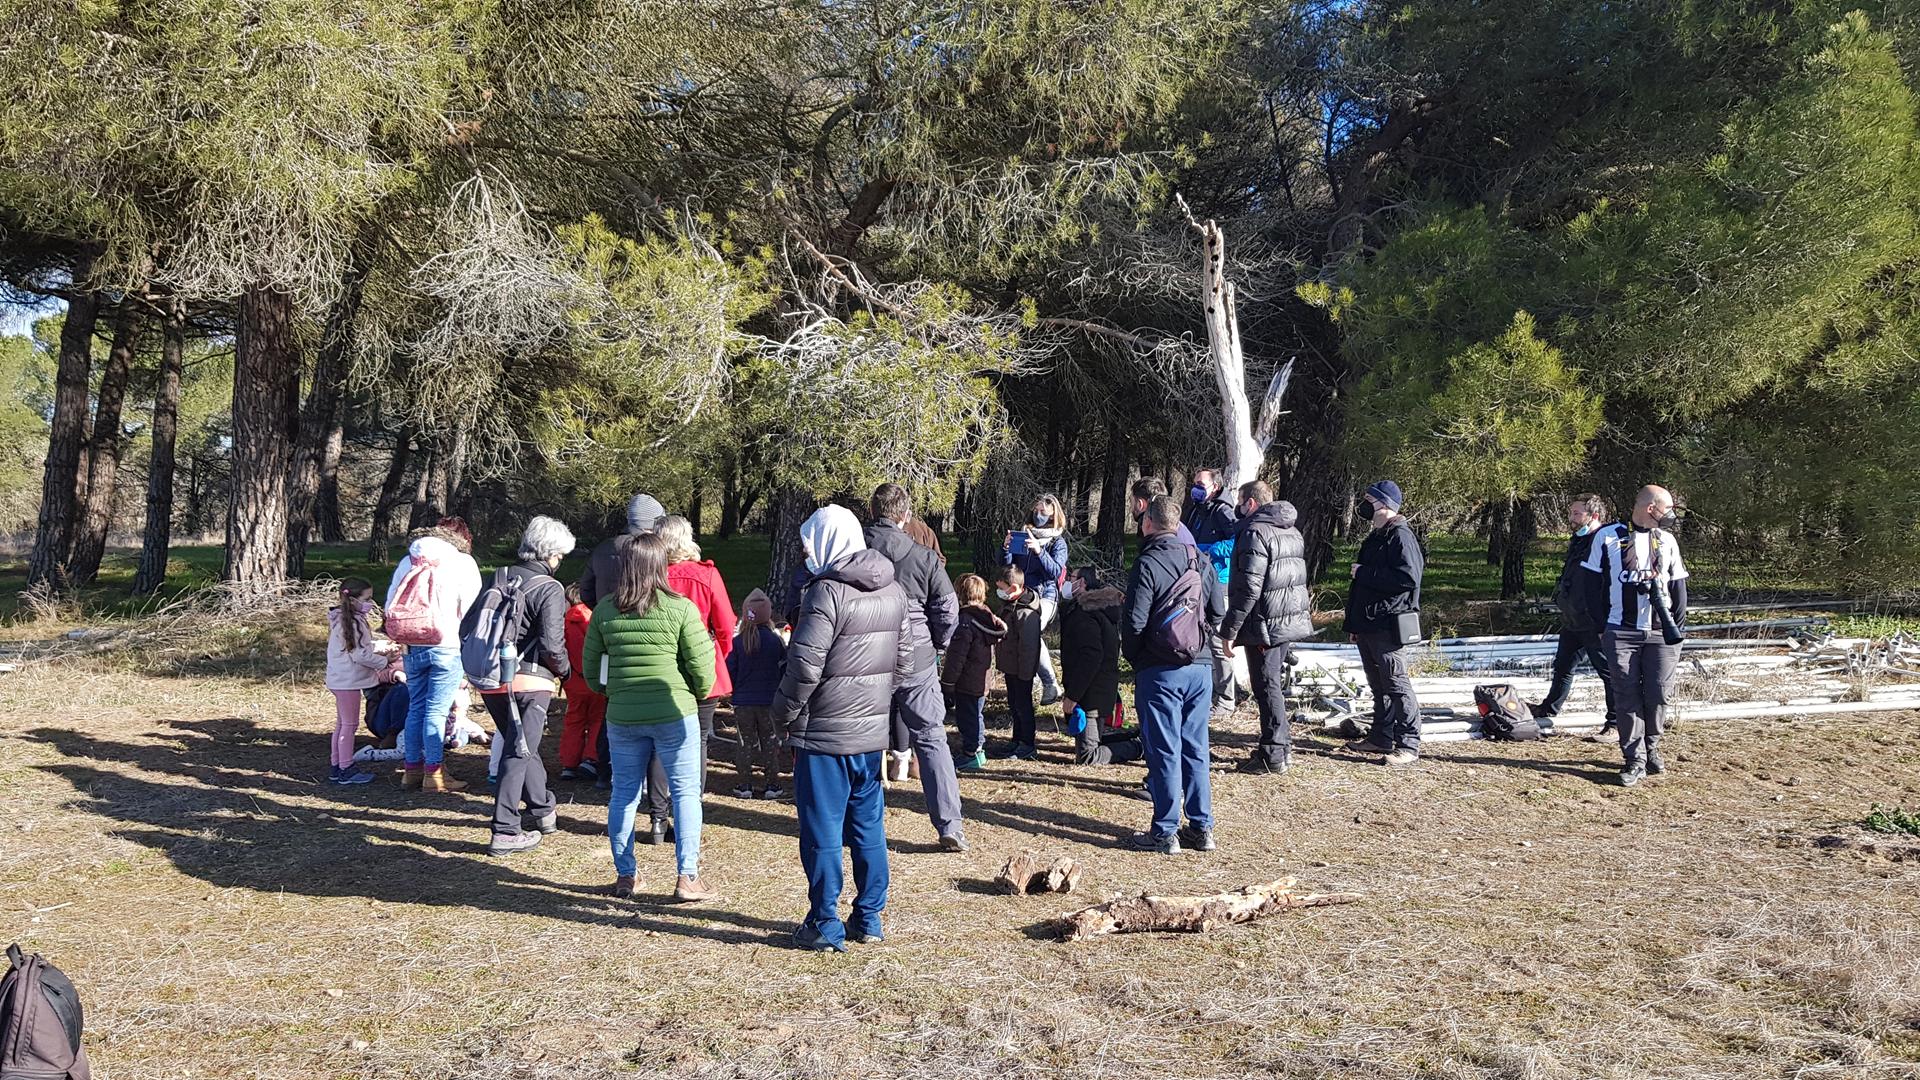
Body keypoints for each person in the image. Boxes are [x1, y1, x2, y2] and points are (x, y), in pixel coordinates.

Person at [771, 505, 912, 952]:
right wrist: (874, 706)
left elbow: (803, 667)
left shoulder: (825, 592)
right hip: (869, 736)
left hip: (823, 736)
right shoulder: (894, 589)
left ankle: (824, 922)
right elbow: (904, 663)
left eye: (808, 543)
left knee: (823, 832)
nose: (805, 552)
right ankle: (869, 916)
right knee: (868, 828)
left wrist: (781, 715)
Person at [584, 533, 717, 902]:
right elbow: (702, 668)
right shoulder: (681, 608)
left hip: (623, 715)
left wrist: (613, 691)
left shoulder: (605, 610)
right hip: (674, 712)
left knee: (624, 793)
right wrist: (695, 691)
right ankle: (688, 876)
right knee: (685, 792)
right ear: (662, 565)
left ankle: (626, 874)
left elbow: (592, 670)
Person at [864, 483, 967, 850]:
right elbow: (948, 610)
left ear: (872, 512)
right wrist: (936, 644)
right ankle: (950, 825)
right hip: (917, 656)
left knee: (860, 736)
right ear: (905, 516)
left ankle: (857, 822)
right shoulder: (924, 557)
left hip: (864, 655)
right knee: (931, 736)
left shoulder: (854, 552)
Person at [470, 516, 574, 856]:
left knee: (523, 746)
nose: (560, 561)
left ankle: (543, 809)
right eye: (560, 555)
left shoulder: (499, 576)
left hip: (491, 677)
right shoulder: (550, 588)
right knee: (518, 752)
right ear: (551, 553)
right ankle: (505, 830)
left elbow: (468, 625)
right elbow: (552, 645)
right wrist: (567, 673)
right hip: (531, 679)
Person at [1122, 496, 1221, 853]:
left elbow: (1134, 622)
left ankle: (1165, 832)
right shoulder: (1200, 559)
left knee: (1164, 749)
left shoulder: (1147, 562)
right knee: (1196, 747)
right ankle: (1201, 828)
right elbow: (1218, 610)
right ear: (1177, 525)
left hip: (1161, 668)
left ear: (1147, 522)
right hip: (1200, 666)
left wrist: (1138, 659)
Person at [1582, 485, 1689, 787]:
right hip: (1621, 631)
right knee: (1626, 695)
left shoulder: (1667, 540)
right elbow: (1590, 586)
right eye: (1667, 508)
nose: (1670, 514)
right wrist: (1602, 626)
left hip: (1661, 632)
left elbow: (1679, 586)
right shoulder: (1607, 537)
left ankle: (1651, 747)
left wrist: (1677, 628)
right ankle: (1634, 758)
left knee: (1658, 693)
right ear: (1651, 508)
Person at [640, 516, 736, 846]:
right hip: (701, 668)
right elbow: (725, 625)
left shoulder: (649, 577)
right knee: (697, 742)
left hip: (660, 668)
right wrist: (716, 656)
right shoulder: (706, 575)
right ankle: (688, 816)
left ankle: (657, 818)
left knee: (659, 742)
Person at [1219, 482, 1315, 775]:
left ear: (1250, 503)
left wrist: (1230, 629)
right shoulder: (1290, 530)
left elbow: (1249, 587)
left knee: (1266, 686)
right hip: (1286, 619)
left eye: (1240, 501)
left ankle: (1272, 753)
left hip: (1264, 622)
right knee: (1271, 684)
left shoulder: (1254, 533)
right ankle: (1281, 747)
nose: (1237, 507)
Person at [386, 519, 483, 791]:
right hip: (446, 644)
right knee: (437, 711)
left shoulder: (408, 561)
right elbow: (471, 607)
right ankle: (435, 773)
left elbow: (390, 601)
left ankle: (412, 770)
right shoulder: (462, 562)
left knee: (416, 707)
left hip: (411, 644)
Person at [1342, 481, 1425, 768]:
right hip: (1368, 623)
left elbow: (1407, 578)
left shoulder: (1400, 537)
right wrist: (1355, 624)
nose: (1363, 506)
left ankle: (1409, 744)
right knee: (1378, 684)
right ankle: (1381, 736)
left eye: (1369, 500)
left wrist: (1365, 573)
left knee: (1396, 683)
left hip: (1388, 624)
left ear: (1384, 504)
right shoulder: (1377, 536)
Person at [1530, 493, 1617, 736]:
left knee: (1608, 672)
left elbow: (1605, 585)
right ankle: (1548, 709)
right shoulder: (1578, 540)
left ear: (1594, 516)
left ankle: (1615, 723)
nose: (1571, 518)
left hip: (1593, 621)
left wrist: (1601, 621)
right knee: (1563, 666)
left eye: (1577, 513)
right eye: (1571, 513)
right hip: (1572, 618)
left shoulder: (1603, 543)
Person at [1058, 566, 1141, 766]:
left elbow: (1091, 656)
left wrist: (1073, 696)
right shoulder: (1099, 611)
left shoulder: (1086, 614)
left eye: (1071, 577)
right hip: (1098, 690)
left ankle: (1139, 747)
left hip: (1091, 694)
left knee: (1088, 756)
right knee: (1090, 742)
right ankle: (1134, 738)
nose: (1067, 582)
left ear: (1082, 582)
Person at [1183, 468, 1244, 718]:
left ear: (1215, 487)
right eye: (1194, 483)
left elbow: (1236, 541)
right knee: (1202, 637)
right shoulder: (1195, 510)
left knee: (1219, 641)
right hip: (1199, 580)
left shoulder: (1223, 511)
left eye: (1201, 484)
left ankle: (1227, 700)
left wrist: (1209, 550)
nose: (1195, 488)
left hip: (1219, 580)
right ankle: (1207, 694)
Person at [324, 577, 394, 785]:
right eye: (367, 599)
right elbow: (359, 654)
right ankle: (346, 768)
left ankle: (337, 765)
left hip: (340, 679)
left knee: (342, 725)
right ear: (353, 599)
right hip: (348, 681)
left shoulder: (344, 620)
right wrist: (385, 661)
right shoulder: (352, 622)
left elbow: (359, 648)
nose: (370, 603)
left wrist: (378, 649)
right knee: (349, 725)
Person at [1000, 493, 1068, 704]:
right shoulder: (1024, 535)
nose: (1038, 515)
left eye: (1043, 512)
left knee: (1031, 631)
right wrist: (1006, 548)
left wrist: (1039, 551)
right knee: (1016, 634)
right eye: (1036, 511)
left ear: (1053, 516)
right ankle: (1032, 680)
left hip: (1046, 595)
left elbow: (1055, 572)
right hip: (1022, 594)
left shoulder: (1057, 542)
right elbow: (1007, 566)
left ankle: (1050, 683)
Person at [726, 588, 787, 799]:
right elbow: (783, 669)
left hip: (743, 701)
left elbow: (730, 670)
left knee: (744, 742)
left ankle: (744, 785)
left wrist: (735, 689)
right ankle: (772, 785)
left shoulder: (737, 643)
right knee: (769, 741)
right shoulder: (775, 641)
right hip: (769, 700)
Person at [941, 573, 1005, 771]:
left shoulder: (965, 622)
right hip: (981, 679)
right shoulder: (986, 617)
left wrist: (947, 683)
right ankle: (978, 750)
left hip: (967, 680)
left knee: (967, 718)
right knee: (976, 715)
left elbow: (956, 657)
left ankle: (971, 752)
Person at [991, 564, 1045, 760]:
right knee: (1014, 704)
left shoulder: (1025, 612)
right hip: (1011, 666)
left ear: (1013, 588)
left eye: (1002, 588)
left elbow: (1028, 647)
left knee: (1023, 705)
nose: (999, 592)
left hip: (1022, 669)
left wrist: (1025, 673)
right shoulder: (1010, 603)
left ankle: (1027, 743)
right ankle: (1017, 739)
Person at [557, 583, 607, 781]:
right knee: (597, 720)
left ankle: (569, 763)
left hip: (573, 681)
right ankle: (591, 759)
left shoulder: (563, 622)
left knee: (574, 720)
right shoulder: (596, 619)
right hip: (596, 680)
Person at [578, 492, 666, 605]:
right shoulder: (653, 550)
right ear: (656, 523)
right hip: (644, 613)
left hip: (607, 614)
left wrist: (602, 610)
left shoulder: (602, 548)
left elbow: (586, 591)